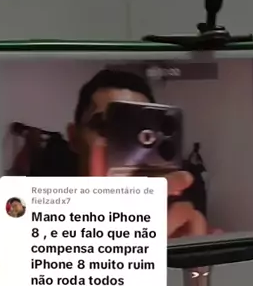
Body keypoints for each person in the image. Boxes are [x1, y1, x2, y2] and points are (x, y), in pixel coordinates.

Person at [64, 69, 211, 238]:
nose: (125, 146)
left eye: (138, 131)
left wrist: (192, 252)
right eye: (104, 127)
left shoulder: (177, 218)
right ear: (74, 138)